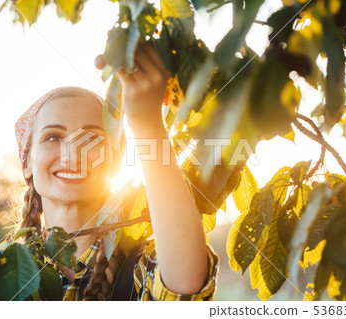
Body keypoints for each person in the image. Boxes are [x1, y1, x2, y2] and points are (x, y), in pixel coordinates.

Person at [14, 42, 219, 301]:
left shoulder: (143, 268)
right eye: (53, 137)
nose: (72, 153)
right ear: (26, 162)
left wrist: (147, 123)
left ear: (114, 162)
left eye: (92, 139)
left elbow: (186, 282)